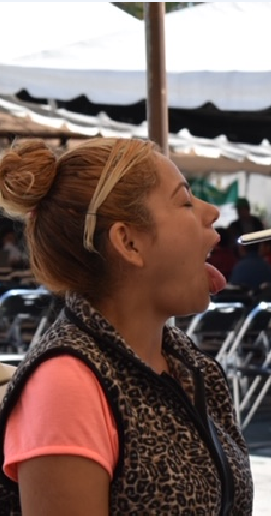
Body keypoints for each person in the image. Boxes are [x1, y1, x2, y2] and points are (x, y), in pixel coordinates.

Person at [0, 138, 253, 514]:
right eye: (184, 201)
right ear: (128, 241)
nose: (212, 211)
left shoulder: (191, 368)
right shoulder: (67, 385)